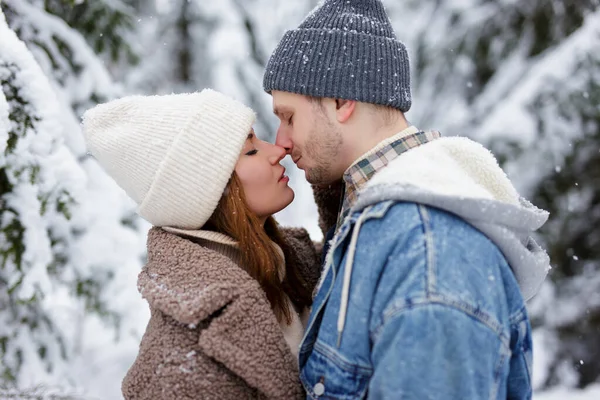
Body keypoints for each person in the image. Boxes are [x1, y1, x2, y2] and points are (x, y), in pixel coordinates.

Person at [262, 0, 550, 398]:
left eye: (289, 116)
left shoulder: (430, 249)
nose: (280, 141)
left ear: (342, 102)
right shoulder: (374, 222)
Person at [82, 89, 322, 399]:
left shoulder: (291, 267)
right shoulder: (178, 366)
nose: (277, 150)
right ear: (211, 193)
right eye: (250, 151)